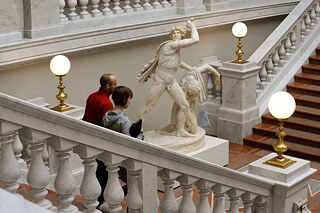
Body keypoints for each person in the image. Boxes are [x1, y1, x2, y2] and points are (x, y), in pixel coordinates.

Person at [137, 19, 199, 137]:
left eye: (178, 33)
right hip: (160, 81)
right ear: (171, 36)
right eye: (174, 33)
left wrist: (191, 68)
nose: (175, 35)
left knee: (185, 106)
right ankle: (138, 129)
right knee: (148, 107)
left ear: (181, 35)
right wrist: (192, 25)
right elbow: (195, 39)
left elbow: (177, 62)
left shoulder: (175, 49)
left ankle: (180, 130)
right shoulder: (171, 45)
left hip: (171, 81)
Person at [82, 73, 117, 209]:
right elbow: (106, 126)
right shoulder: (106, 103)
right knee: (103, 173)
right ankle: (99, 202)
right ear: (108, 86)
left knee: (94, 171)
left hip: (88, 137)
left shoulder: (92, 96)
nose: (116, 86)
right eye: (115, 84)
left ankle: (93, 200)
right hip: (99, 141)